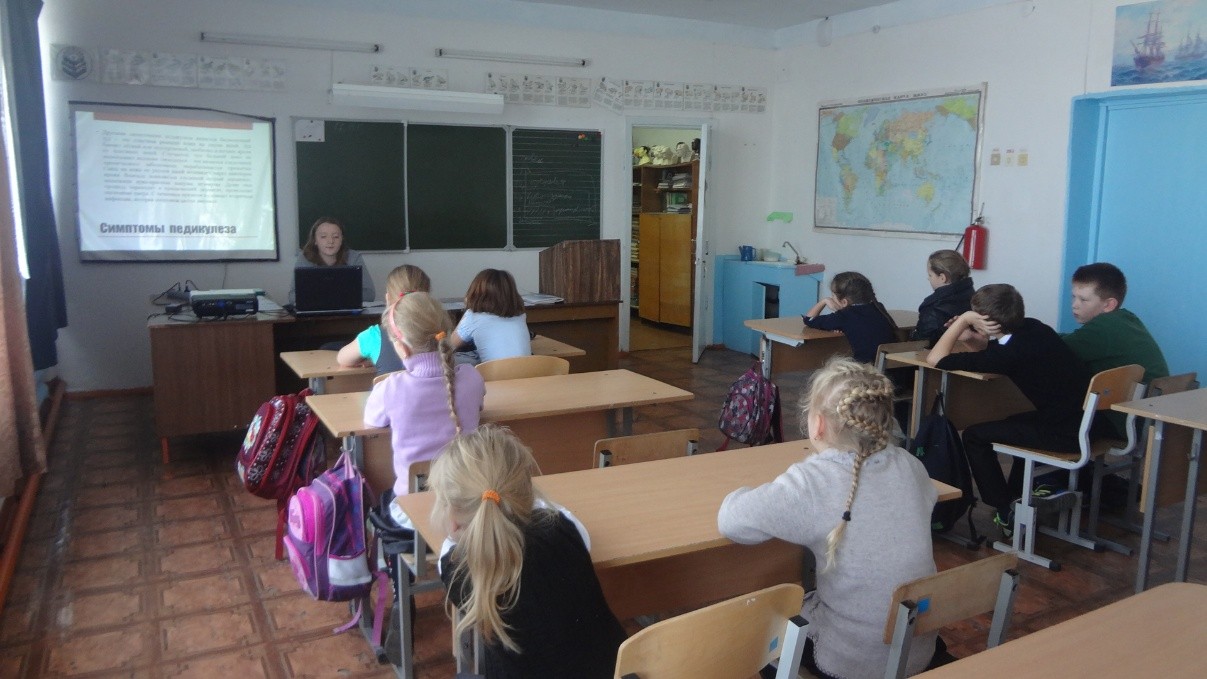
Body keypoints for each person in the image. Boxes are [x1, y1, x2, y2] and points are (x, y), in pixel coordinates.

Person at [717, 357, 941, 679]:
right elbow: (924, 501)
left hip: (851, 660)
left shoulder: (812, 482)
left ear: (818, 424)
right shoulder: (910, 465)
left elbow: (731, 520)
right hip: (917, 648)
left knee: (764, 635)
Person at [430, 424, 627, 679]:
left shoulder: (460, 570)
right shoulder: (564, 529)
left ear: (454, 521)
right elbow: (556, 513)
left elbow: (449, 548)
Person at [927, 284, 1090, 535]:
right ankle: (1017, 499)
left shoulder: (1009, 354)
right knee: (1015, 420)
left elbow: (935, 359)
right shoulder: (1035, 328)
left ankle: (1004, 510)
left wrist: (963, 321)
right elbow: (994, 354)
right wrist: (970, 337)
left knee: (973, 436)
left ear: (984, 320)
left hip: (1065, 433)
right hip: (1083, 422)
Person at [1063, 262, 1168, 437]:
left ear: (1108, 305)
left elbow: (1056, 348)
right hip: (1149, 420)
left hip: (1127, 422)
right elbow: (1072, 340)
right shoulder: (1126, 319)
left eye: (1084, 300)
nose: (1075, 305)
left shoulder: (1104, 327)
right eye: (1073, 297)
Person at [337, 264, 431, 374]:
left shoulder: (374, 336)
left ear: (388, 298)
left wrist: (373, 356)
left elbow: (342, 359)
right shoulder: (439, 332)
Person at [803, 271, 897, 364]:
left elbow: (809, 319)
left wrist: (824, 301)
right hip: (895, 366)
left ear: (844, 302)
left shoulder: (844, 316)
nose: (831, 298)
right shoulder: (878, 307)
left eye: (833, 296)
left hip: (866, 369)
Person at [451, 269, 532, 364]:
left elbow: (449, 345)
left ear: (475, 292)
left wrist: (468, 303)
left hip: (495, 373)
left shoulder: (472, 317)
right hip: (528, 371)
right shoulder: (520, 317)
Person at [287, 217, 375, 304]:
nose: (330, 241)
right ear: (315, 240)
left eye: (336, 237)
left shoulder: (354, 257)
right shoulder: (304, 258)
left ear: (342, 239)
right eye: (323, 237)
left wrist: (319, 295)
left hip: (346, 311)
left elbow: (370, 294)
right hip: (315, 312)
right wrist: (341, 294)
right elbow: (292, 296)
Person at [910, 249, 975, 347]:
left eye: (930, 275)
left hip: (936, 354)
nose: (928, 278)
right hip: (970, 351)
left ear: (942, 278)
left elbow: (922, 343)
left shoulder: (934, 308)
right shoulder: (974, 297)